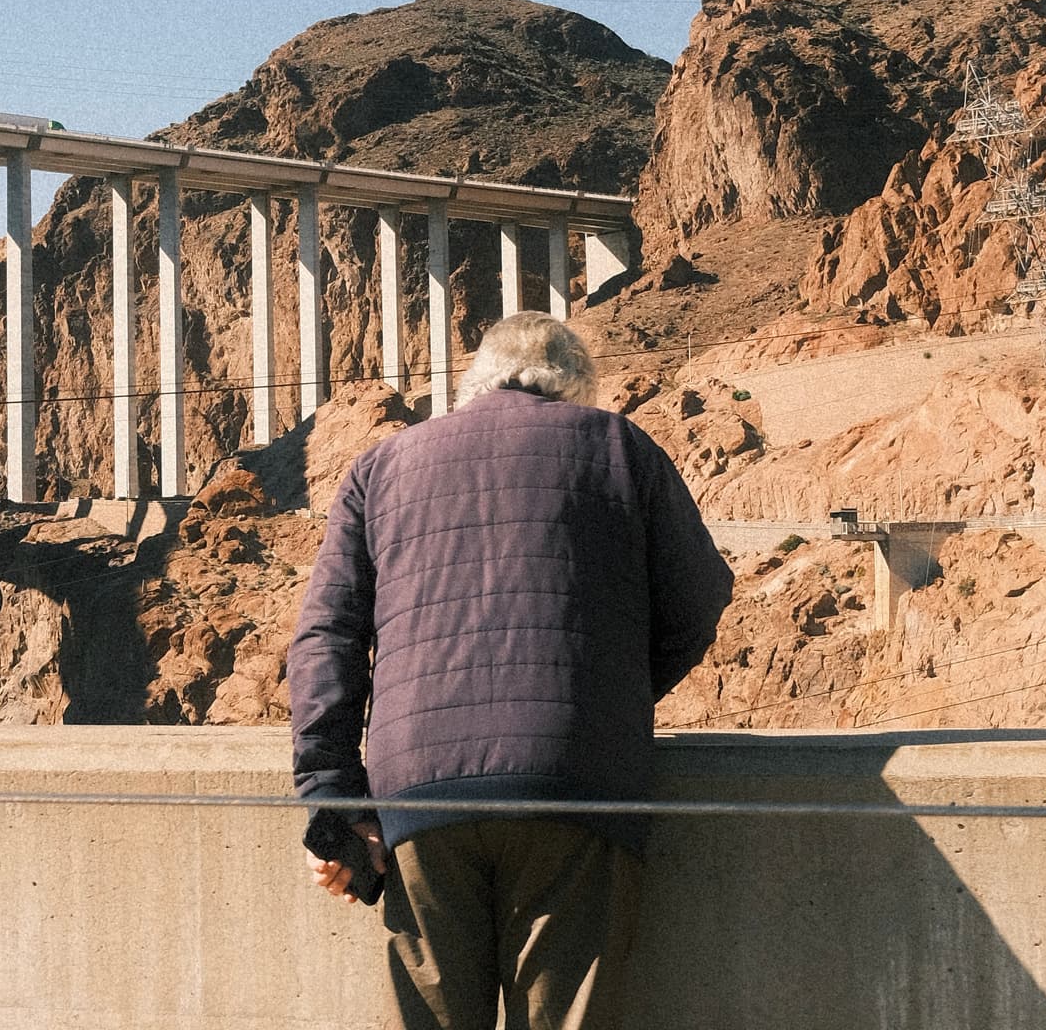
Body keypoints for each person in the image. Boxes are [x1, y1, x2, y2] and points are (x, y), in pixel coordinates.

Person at [288, 311, 733, 1030]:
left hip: (420, 793)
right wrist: (603, 695)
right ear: (578, 387)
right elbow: (700, 597)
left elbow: (324, 638)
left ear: (473, 383)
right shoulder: (620, 447)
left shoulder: (381, 465)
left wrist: (335, 801)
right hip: (576, 783)